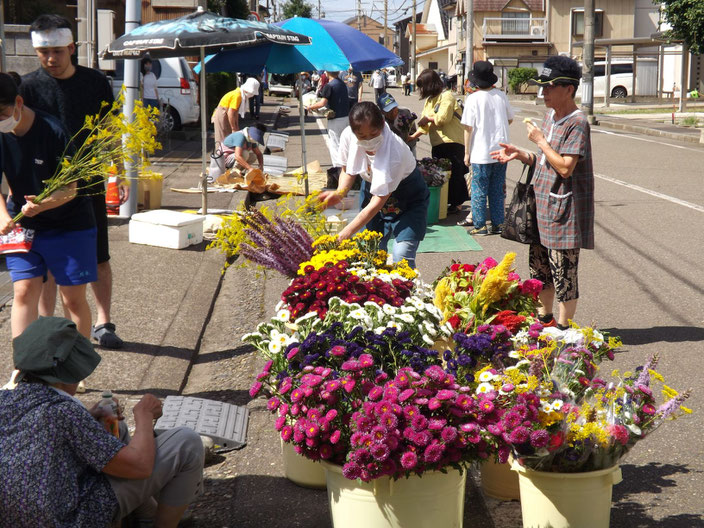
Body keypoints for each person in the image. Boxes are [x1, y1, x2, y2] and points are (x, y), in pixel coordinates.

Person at [0, 316, 204, 527]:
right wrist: (144, 415)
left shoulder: (5, 398)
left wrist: (90, 415)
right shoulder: (63, 410)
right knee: (187, 443)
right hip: (69, 520)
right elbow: (140, 467)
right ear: (68, 373)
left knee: (115, 428)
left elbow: (41, 436)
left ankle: (144, 516)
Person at [20, 14, 125, 349]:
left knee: (98, 253)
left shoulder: (95, 82)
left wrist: (117, 170)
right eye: (44, 52)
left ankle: (104, 321)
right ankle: (51, 326)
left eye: (57, 51)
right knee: (48, 257)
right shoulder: (28, 87)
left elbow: (110, 128)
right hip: (46, 183)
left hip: (90, 176)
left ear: (71, 47)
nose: (50, 58)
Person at [490, 55, 594, 330]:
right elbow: (543, 159)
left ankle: (563, 328)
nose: (543, 92)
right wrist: (519, 153)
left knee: (564, 272)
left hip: (564, 210)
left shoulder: (577, 122)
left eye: (549, 86)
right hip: (541, 204)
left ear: (568, 89)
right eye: (542, 86)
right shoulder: (549, 115)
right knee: (540, 267)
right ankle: (544, 319)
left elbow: (565, 168)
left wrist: (540, 140)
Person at [0, 73, 96, 341]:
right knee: (23, 291)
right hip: (24, 225)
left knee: (73, 300)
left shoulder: (54, 130)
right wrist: (3, 216)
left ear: (19, 102)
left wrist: (42, 205)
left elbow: (70, 188)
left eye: (1, 112)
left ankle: (73, 374)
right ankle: (23, 372)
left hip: (69, 224)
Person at [318, 102, 429, 268]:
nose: (369, 140)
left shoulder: (394, 152)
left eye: (374, 133)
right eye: (362, 137)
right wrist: (340, 193)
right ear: (354, 132)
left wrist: (346, 232)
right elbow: (348, 170)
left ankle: (407, 290)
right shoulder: (348, 135)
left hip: (408, 199)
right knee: (371, 252)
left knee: (401, 256)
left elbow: (377, 202)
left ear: (383, 124)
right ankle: (379, 291)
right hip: (372, 193)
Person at [459, 61, 515, 234]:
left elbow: (468, 127)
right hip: (501, 150)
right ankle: (498, 224)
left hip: (481, 151)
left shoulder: (473, 99)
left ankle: (480, 225)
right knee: (497, 189)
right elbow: (510, 119)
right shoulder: (501, 96)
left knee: (479, 189)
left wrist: (466, 152)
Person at [409, 68, 469, 214]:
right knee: (440, 174)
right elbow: (424, 126)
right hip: (438, 143)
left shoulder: (446, 96)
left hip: (453, 141)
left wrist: (428, 118)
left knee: (455, 173)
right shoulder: (430, 101)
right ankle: (445, 202)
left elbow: (442, 119)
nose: (421, 89)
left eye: (423, 86)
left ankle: (457, 204)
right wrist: (411, 137)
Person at [306, 71, 350, 180]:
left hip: (335, 119)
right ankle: (347, 169)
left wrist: (310, 107)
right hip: (346, 117)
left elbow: (322, 103)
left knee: (335, 146)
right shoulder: (341, 83)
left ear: (327, 73)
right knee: (344, 144)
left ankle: (338, 172)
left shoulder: (329, 86)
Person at [211, 77, 260, 144]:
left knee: (228, 139)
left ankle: (225, 153)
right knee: (221, 140)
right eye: (252, 93)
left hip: (226, 114)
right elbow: (231, 113)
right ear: (247, 90)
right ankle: (219, 154)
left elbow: (235, 113)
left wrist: (236, 126)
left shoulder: (240, 95)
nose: (252, 95)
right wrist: (233, 128)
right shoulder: (237, 95)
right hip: (222, 114)